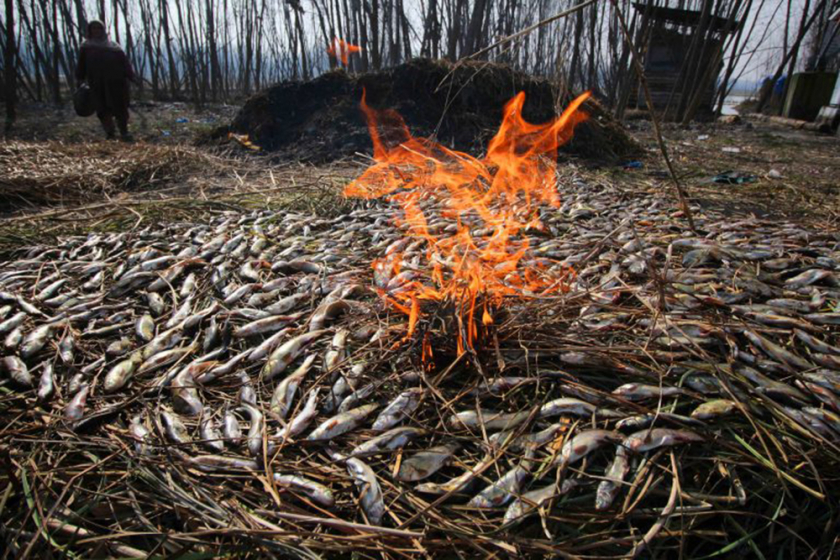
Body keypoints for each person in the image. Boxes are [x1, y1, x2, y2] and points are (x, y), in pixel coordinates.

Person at [75, 20, 137, 140]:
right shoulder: (86, 47)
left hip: (117, 82)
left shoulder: (114, 47)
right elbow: (81, 65)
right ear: (90, 31)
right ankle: (110, 133)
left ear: (103, 31)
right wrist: (80, 78)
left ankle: (124, 132)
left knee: (120, 108)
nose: (96, 31)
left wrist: (131, 76)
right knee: (102, 108)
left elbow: (125, 63)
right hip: (97, 83)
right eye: (94, 29)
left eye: (99, 28)